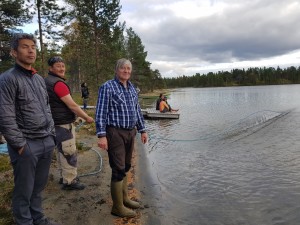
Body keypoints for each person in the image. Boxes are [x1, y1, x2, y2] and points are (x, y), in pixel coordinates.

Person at [0, 33, 59, 225]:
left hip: (46, 141)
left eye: (33, 46)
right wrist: (19, 144)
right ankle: (24, 221)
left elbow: (47, 108)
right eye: (25, 46)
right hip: (27, 145)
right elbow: (5, 115)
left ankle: (38, 218)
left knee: (38, 186)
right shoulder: (7, 79)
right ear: (14, 52)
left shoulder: (38, 79)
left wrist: (51, 136)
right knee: (24, 190)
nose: (31, 50)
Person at [95, 58, 148, 218]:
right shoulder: (107, 87)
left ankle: (125, 199)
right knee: (118, 170)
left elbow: (137, 111)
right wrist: (102, 135)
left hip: (130, 132)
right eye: (123, 68)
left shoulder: (132, 88)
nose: (126, 71)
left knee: (125, 167)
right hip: (115, 133)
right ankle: (117, 207)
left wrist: (143, 130)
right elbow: (101, 112)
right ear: (117, 70)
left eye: (128, 69)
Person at [45, 56, 94, 190]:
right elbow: (72, 105)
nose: (61, 68)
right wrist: (87, 117)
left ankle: (64, 177)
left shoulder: (46, 81)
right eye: (58, 66)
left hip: (54, 123)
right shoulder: (58, 84)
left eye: (63, 65)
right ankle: (70, 181)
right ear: (51, 68)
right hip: (63, 124)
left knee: (61, 151)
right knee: (69, 151)